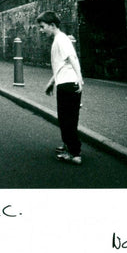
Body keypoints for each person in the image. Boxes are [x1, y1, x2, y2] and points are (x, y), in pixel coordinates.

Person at [37, 10, 84, 165]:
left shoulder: (61, 39)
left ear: (52, 25)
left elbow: (72, 58)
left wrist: (79, 78)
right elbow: (62, 65)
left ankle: (74, 154)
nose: (41, 30)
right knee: (68, 119)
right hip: (65, 83)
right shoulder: (59, 39)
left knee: (67, 120)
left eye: (43, 26)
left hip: (68, 84)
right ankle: (69, 146)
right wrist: (52, 82)